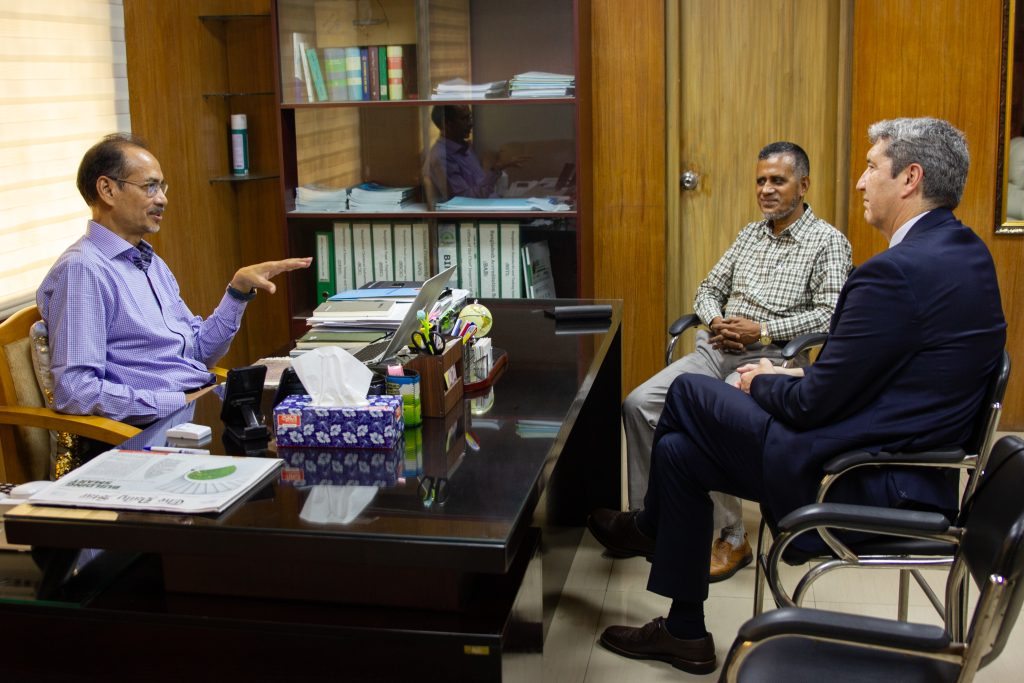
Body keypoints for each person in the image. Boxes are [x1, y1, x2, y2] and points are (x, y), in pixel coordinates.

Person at [587, 117, 1006, 674]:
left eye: (871, 167)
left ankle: (648, 527)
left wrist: (761, 379)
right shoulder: (967, 252)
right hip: (900, 463)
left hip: (856, 479)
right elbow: (879, 374)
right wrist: (791, 378)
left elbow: (812, 406)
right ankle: (684, 631)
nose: (860, 181)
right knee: (678, 452)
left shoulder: (894, 274)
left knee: (687, 393)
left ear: (910, 178)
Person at [620, 141, 852, 582]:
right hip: (717, 349)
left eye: (777, 180)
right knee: (638, 404)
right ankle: (652, 524)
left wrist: (760, 330)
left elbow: (830, 315)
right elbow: (708, 288)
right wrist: (716, 320)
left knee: (709, 421)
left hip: (773, 361)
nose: (766, 189)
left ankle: (733, 536)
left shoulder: (828, 242)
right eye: (761, 181)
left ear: (803, 185)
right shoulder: (749, 234)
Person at [37, 133, 311, 427]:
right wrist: (178, 401)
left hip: (194, 409)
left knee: (305, 414)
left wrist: (238, 291)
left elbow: (199, 353)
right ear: (107, 189)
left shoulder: (150, 262)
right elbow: (76, 391)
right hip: (150, 428)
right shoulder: (83, 270)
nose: (163, 199)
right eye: (150, 187)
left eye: (162, 187)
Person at [424, 104, 526, 202]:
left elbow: (480, 186)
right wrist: (495, 170)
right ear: (447, 124)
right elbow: (466, 201)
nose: (470, 123)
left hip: (493, 202)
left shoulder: (464, 147)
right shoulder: (442, 156)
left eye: (470, 118)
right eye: (464, 119)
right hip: (483, 210)